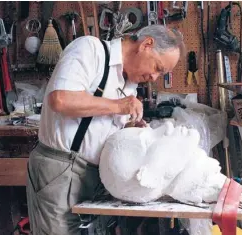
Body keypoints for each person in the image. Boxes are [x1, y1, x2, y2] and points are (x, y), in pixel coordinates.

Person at [26, 24, 185, 235]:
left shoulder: (128, 83)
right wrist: (119, 105)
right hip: (61, 169)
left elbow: (98, 124)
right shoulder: (90, 50)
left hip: (92, 175)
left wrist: (129, 129)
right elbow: (61, 99)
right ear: (147, 45)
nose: (155, 78)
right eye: (157, 68)